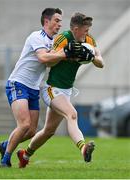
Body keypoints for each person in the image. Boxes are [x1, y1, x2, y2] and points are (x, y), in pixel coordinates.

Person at [0, 8, 84, 167]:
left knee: (30, 131)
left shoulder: (55, 41)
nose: (59, 24)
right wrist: (66, 53)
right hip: (18, 83)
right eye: (56, 20)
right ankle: (5, 159)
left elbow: (55, 60)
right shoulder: (36, 36)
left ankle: (6, 144)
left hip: (34, 88)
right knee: (23, 125)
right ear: (46, 21)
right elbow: (43, 58)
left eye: (60, 21)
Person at [17, 12, 104, 168]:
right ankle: (83, 148)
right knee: (72, 114)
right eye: (85, 30)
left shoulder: (89, 40)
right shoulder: (63, 38)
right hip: (52, 89)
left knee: (49, 131)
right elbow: (48, 63)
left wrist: (90, 57)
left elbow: (100, 62)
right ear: (76, 29)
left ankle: (25, 154)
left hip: (66, 92)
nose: (87, 33)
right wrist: (66, 53)